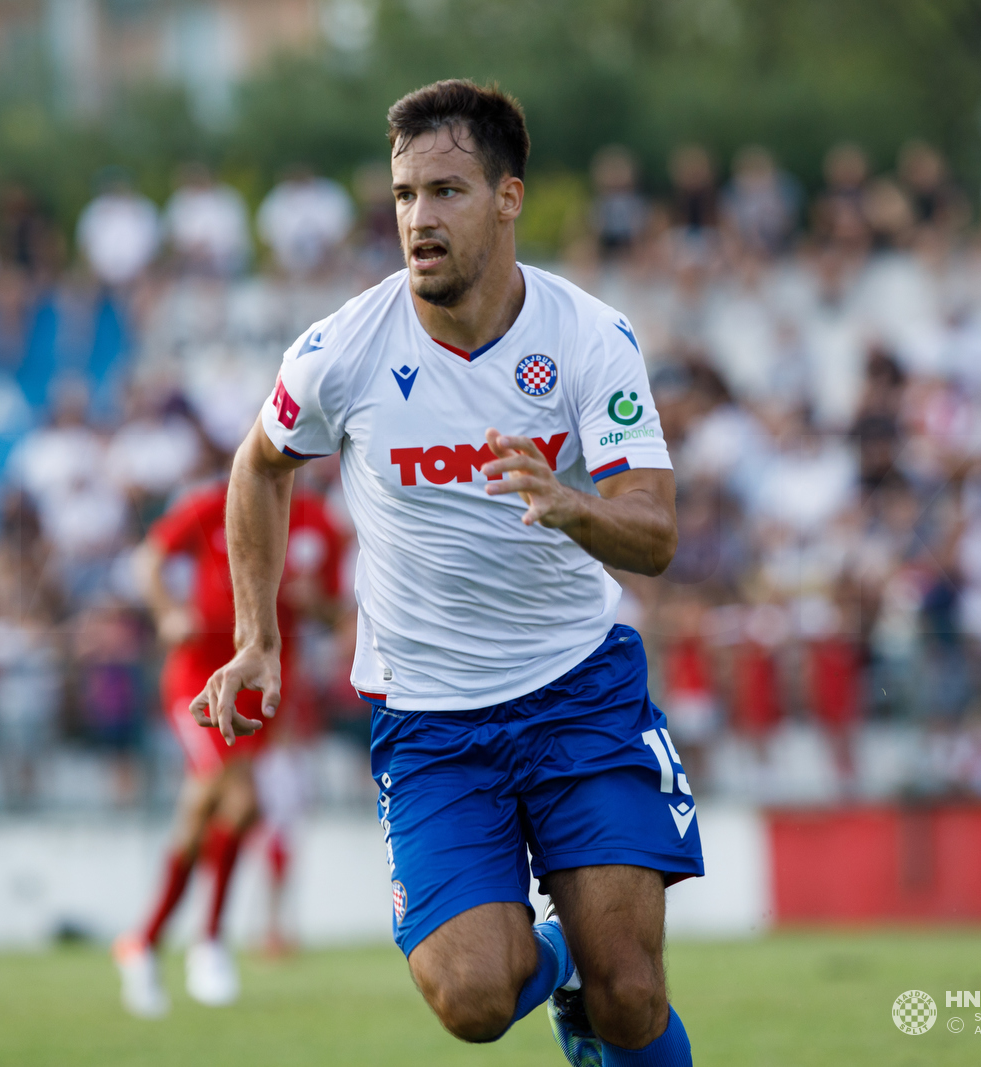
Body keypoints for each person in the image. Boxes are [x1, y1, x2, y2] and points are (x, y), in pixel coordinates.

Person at [192, 80, 700, 1067]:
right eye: (403, 196)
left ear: (508, 197)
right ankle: (561, 963)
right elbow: (258, 464)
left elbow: (655, 532)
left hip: (578, 690)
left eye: (446, 191)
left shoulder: (590, 337)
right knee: (471, 996)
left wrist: (573, 504)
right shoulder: (342, 349)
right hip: (431, 718)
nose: (418, 218)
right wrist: (257, 636)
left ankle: (595, 979)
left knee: (632, 998)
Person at [112, 473, 342, 1016]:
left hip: (262, 687)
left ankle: (144, 943)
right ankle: (208, 941)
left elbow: (337, 612)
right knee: (237, 797)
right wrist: (168, 611)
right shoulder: (213, 502)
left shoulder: (319, 523)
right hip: (198, 677)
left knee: (213, 810)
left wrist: (318, 607)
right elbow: (148, 561)